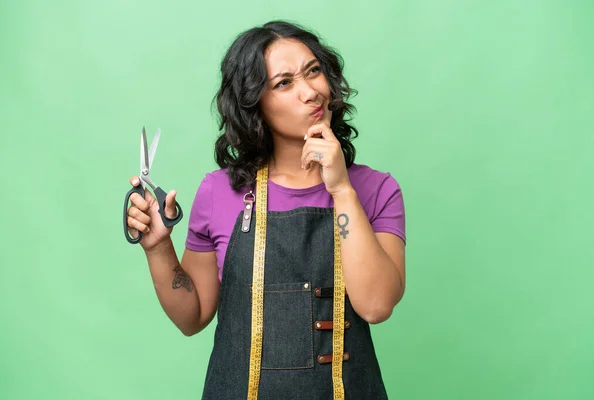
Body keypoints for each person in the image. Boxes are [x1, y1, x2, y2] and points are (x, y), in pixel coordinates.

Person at [126, 20, 406, 400]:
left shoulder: (376, 190)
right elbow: (192, 317)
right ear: (254, 103)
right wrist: (158, 248)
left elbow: (376, 305)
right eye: (284, 83)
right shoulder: (218, 192)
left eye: (313, 71)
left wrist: (341, 188)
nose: (311, 92)